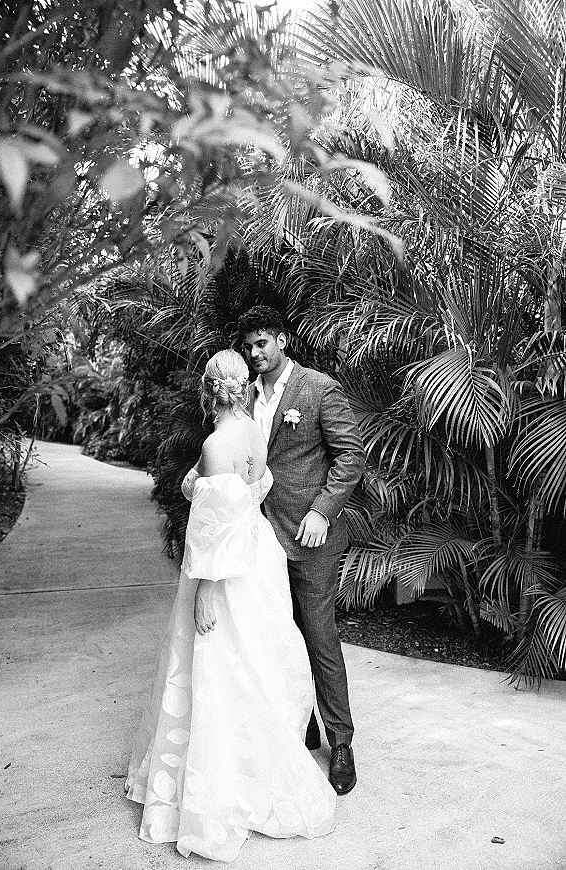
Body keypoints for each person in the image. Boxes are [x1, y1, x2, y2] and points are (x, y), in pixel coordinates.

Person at [125, 349, 336, 863]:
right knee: (254, 665)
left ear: (207, 389)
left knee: (219, 669)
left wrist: (203, 592)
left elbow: (213, 528)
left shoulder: (216, 444)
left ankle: (222, 791)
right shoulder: (253, 433)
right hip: (258, 557)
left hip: (224, 570)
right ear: (241, 388)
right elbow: (252, 494)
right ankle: (252, 772)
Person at [238, 306, 366, 796]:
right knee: (276, 633)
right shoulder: (246, 395)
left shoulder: (318, 388)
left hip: (312, 537)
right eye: (249, 346)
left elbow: (351, 455)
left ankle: (341, 742)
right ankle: (301, 721)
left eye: (263, 342)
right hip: (261, 536)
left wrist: (323, 511)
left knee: (318, 635)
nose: (255, 353)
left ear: (283, 340)